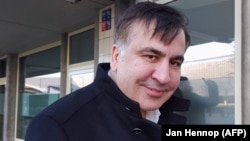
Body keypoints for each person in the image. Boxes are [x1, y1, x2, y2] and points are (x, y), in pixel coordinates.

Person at [25, 1, 191, 141]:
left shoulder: (179, 113)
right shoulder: (56, 127)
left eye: (175, 62)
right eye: (150, 56)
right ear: (116, 57)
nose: (164, 77)